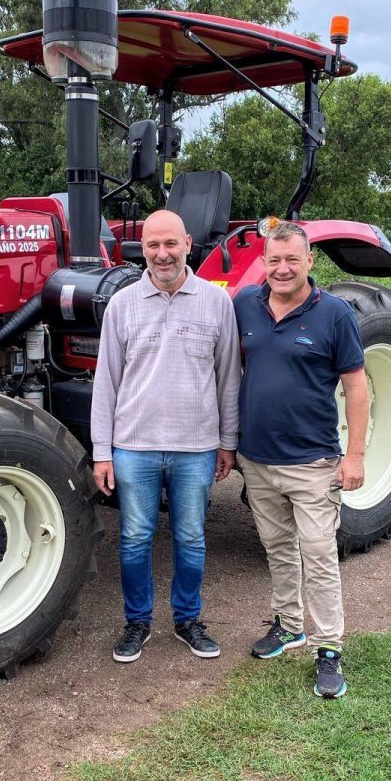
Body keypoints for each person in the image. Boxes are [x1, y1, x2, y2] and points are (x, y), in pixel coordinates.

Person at [91, 209, 240, 663]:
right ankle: (137, 622)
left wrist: (227, 442)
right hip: (134, 446)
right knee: (135, 538)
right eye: (153, 245)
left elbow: (228, 376)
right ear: (143, 250)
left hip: (195, 447)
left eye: (170, 244)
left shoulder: (216, 304)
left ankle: (187, 619)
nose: (161, 254)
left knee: (191, 537)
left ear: (188, 243)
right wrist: (102, 451)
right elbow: (106, 382)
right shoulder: (122, 305)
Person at [234, 221, 369, 699]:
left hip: (312, 461)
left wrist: (354, 455)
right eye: (275, 260)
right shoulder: (244, 304)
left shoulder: (333, 314)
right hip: (257, 457)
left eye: (293, 259)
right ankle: (289, 625)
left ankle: (328, 647)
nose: (284, 268)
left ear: (310, 260)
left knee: (319, 555)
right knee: (277, 547)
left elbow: (356, 385)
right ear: (264, 263)